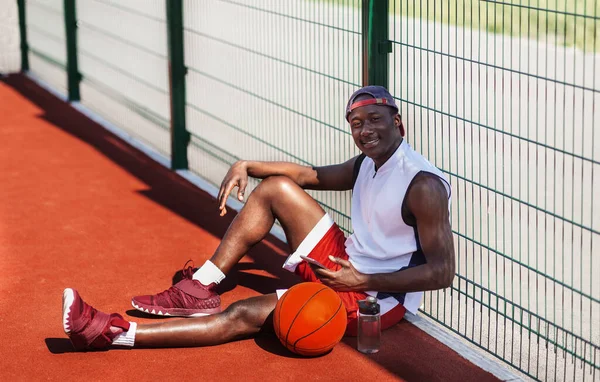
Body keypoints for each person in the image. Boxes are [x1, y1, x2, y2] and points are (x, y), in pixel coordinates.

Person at [62, 86, 455, 350]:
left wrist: (362, 279)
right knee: (276, 187)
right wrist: (246, 165)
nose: (365, 130)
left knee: (242, 315)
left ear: (398, 123)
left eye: (375, 120)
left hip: (372, 297)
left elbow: (441, 273)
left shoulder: (422, 185)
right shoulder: (368, 162)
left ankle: (113, 333)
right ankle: (200, 288)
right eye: (356, 124)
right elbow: (309, 176)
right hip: (346, 262)